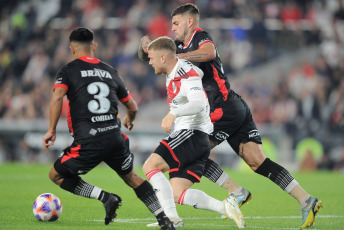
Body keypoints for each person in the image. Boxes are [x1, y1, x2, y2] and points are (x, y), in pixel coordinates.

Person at [139, 3, 322, 228]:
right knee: (257, 161)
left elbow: (210, 52)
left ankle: (236, 192)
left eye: (176, 23)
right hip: (234, 107)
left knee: (195, 148)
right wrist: (147, 46)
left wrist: (181, 55)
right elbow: (161, 53)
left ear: (190, 22)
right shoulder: (177, 45)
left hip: (221, 108)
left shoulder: (200, 37)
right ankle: (306, 199)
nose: (173, 28)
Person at [42, 27, 175, 230]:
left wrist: (51, 130)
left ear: (72, 50)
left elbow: (58, 97)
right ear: (94, 47)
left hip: (89, 140)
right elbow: (132, 106)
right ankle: (164, 219)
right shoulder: (110, 71)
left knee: (56, 175)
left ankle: (105, 197)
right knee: (132, 178)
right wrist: (129, 119)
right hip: (115, 137)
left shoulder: (68, 70)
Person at [142, 36, 245, 229]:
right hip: (198, 139)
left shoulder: (184, 73)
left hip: (191, 133)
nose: (149, 62)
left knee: (150, 165)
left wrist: (174, 113)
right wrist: (147, 47)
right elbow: (163, 56)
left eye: (152, 59)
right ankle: (225, 207)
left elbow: (198, 102)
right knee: (176, 193)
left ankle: (170, 219)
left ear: (163, 57)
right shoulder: (174, 68)